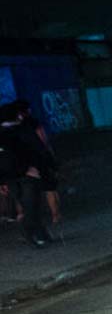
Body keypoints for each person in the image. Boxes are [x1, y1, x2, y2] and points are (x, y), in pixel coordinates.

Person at [0, 101, 57, 247]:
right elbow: (38, 149)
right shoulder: (22, 130)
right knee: (32, 205)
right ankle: (30, 231)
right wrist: (48, 166)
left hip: (11, 176)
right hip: (27, 174)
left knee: (28, 205)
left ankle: (40, 234)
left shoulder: (6, 133)